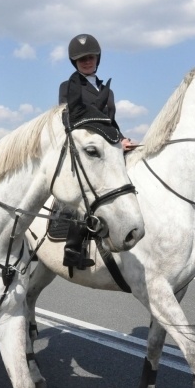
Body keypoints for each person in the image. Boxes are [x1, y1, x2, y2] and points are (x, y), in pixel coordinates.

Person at [59, 33, 133, 271]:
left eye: (90, 58)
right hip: (83, 147)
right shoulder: (68, 86)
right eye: (82, 59)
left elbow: (111, 121)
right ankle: (72, 248)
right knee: (84, 190)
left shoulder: (106, 90)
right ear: (75, 63)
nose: (86, 62)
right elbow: (70, 118)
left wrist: (122, 139)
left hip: (106, 147)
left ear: (97, 59)